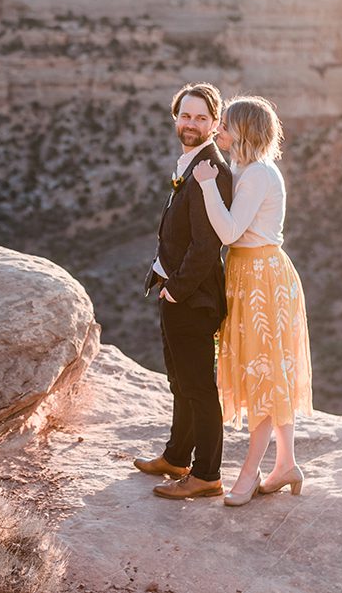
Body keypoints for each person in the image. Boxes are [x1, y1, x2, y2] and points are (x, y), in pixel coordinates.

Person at [192, 95, 313, 506]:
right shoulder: (246, 169)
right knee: (268, 371)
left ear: (242, 130)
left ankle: (251, 471)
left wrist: (207, 186)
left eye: (224, 124)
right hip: (249, 275)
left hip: (261, 278)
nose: (218, 130)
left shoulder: (258, 174)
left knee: (264, 374)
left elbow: (228, 232)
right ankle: (286, 465)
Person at [133, 82, 235, 499]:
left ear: (214, 124)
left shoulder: (212, 170)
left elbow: (207, 245)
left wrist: (175, 289)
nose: (191, 124)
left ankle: (208, 474)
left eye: (201, 118)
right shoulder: (191, 163)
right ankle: (177, 456)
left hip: (193, 298)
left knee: (198, 387)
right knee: (180, 380)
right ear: (176, 117)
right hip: (175, 291)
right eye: (185, 115)